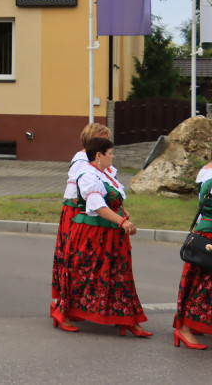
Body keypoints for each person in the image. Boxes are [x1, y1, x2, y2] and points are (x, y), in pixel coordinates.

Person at [51, 137, 149, 336]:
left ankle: (127, 319)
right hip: (92, 233)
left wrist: (122, 212)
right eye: (110, 153)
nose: (113, 156)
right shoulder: (87, 175)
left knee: (120, 275)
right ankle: (63, 313)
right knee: (82, 274)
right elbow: (96, 205)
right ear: (98, 155)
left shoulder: (104, 174)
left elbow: (111, 202)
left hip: (111, 234)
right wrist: (122, 221)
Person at [51, 123, 112, 302]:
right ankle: (64, 300)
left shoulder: (99, 160)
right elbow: (74, 195)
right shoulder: (81, 160)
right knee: (75, 258)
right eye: (104, 139)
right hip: (77, 213)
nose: (108, 142)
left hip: (90, 211)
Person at [173, 158, 212, 349]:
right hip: (209, 235)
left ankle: (191, 326)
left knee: (202, 282)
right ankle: (186, 328)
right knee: (204, 284)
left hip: (206, 231)